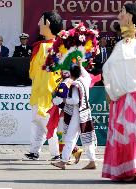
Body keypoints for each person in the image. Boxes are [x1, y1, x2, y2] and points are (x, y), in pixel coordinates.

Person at [102, 3, 136, 181]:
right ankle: (129, 169)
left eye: (122, 12)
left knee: (133, 134)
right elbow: (109, 69)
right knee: (127, 135)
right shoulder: (121, 44)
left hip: (134, 98)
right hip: (121, 98)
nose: (118, 16)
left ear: (131, 16)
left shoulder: (134, 44)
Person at [24, 11, 62, 161]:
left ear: (48, 24)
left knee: (49, 123)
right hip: (38, 91)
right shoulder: (39, 46)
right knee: (36, 122)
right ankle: (34, 151)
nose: (38, 23)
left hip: (50, 93)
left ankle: (56, 153)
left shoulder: (59, 46)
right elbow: (33, 71)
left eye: (41, 20)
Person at [51, 59, 97, 170]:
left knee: (70, 137)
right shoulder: (85, 79)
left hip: (77, 112)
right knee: (86, 136)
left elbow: (75, 100)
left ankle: (63, 161)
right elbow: (85, 73)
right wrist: (80, 65)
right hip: (85, 111)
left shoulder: (75, 84)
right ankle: (92, 161)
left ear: (71, 74)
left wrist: (63, 100)